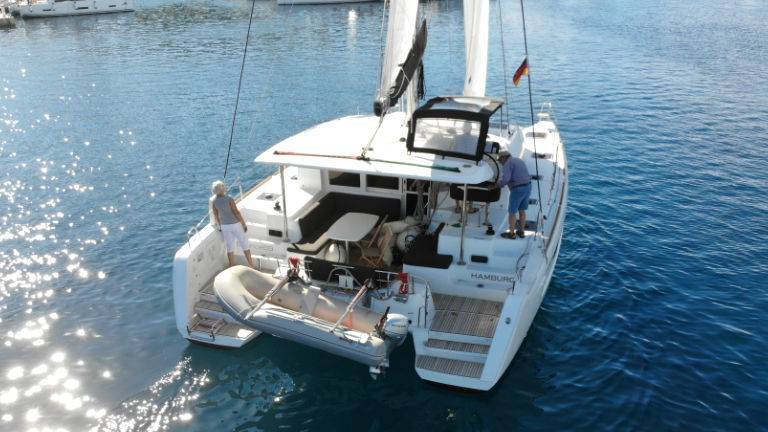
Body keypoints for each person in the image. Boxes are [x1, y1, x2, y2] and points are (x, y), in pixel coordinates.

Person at [210, 180, 255, 267]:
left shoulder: (214, 201)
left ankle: (232, 266)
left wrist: (220, 226)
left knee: (230, 247)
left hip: (225, 226)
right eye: (223, 186)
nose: (225, 187)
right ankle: (251, 265)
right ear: (222, 189)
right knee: (244, 244)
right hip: (235, 225)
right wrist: (243, 224)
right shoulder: (229, 199)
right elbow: (236, 212)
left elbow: (216, 215)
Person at [495, 150, 531, 239]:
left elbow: (506, 179)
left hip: (517, 189)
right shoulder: (518, 160)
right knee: (522, 210)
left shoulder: (507, 164)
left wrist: (497, 185)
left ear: (504, 158)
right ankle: (521, 232)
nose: (499, 162)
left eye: (499, 160)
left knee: (512, 212)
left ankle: (511, 233)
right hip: (528, 187)